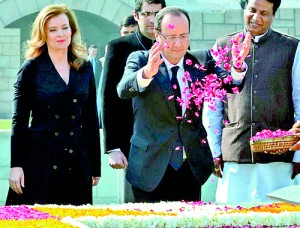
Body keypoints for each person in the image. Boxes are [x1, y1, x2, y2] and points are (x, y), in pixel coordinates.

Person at [116, 6, 250, 202]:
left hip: (190, 167)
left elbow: (231, 85)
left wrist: (237, 66)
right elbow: (123, 90)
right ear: (157, 34)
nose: (178, 44)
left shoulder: (201, 60)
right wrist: (146, 74)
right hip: (149, 167)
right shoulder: (140, 59)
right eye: (171, 37)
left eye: (183, 36)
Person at [203, 0, 300, 203]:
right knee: (232, 219)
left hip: (279, 157)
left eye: (264, 13)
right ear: (244, 9)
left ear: (274, 15)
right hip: (235, 151)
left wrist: (299, 156)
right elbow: (213, 105)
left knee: (280, 219)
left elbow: (299, 102)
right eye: (252, 10)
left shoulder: (291, 47)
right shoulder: (222, 47)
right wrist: (214, 150)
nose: (256, 18)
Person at [6, 3, 101, 206]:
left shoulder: (84, 68)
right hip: (40, 160)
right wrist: (16, 165)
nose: (60, 34)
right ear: (44, 34)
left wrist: (95, 166)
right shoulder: (31, 68)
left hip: (77, 160)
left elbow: (91, 119)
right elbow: (19, 121)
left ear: (72, 30)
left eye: (65, 27)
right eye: (53, 29)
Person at [101, 0, 166, 171]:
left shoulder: (176, 44)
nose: (152, 20)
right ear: (136, 16)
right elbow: (108, 97)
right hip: (131, 140)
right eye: (146, 14)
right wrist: (112, 147)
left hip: (168, 141)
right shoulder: (119, 47)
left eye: (157, 14)